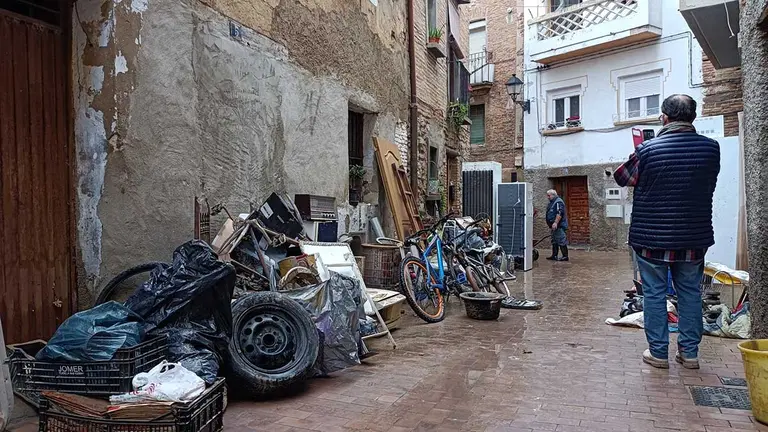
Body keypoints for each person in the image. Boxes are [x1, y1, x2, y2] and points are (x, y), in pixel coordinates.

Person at [614, 94, 720, 370]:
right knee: (690, 294)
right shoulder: (711, 149)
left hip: (652, 239)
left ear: (664, 117)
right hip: (693, 238)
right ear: (693, 117)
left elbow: (622, 177)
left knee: (654, 294)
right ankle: (690, 353)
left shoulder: (649, 149)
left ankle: (659, 353)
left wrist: (640, 151)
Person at [545, 190, 568, 262]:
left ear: (553, 195)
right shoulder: (552, 202)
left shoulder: (558, 202)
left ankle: (565, 256)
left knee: (561, 240)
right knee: (554, 240)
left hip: (559, 226)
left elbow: (559, 213)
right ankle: (554, 255)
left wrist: (555, 223)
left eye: (549, 195)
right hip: (553, 226)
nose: (548, 197)